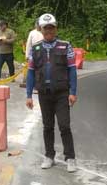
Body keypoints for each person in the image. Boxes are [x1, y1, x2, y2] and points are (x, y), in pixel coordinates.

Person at [25, 13, 78, 173]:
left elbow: (72, 69)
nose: (48, 31)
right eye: (45, 28)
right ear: (40, 29)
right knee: (47, 126)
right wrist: (28, 95)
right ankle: (49, 156)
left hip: (62, 93)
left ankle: (70, 157)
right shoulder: (36, 48)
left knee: (64, 125)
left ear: (55, 29)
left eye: (51, 28)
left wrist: (73, 92)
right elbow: (31, 72)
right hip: (44, 93)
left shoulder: (65, 46)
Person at [20, 20, 44, 88]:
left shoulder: (44, 32)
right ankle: (32, 85)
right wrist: (27, 55)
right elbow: (28, 44)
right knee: (32, 70)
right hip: (34, 53)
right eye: (37, 24)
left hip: (43, 53)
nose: (38, 26)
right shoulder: (32, 33)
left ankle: (39, 86)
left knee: (41, 70)